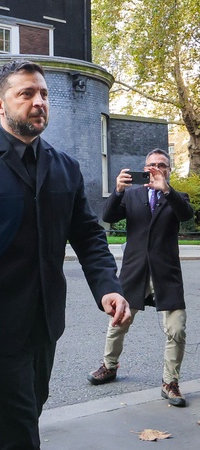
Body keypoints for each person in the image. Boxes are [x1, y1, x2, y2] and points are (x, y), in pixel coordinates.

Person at [0, 59, 130, 450]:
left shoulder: (65, 167)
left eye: (43, 94)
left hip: (46, 324)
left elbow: (89, 235)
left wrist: (107, 286)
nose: (39, 101)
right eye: (26, 93)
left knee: (24, 413)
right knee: (19, 428)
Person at [88, 149, 193, 407]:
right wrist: (117, 191)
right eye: (152, 164)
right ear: (144, 169)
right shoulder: (132, 195)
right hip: (135, 271)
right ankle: (109, 366)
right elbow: (108, 216)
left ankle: (170, 382)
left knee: (176, 329)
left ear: (169, 170)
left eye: (162, 165)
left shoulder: (177, 196)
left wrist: (166, 190)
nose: (156, 168)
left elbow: (186, 215)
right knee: (118, 322)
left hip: (166, 274)